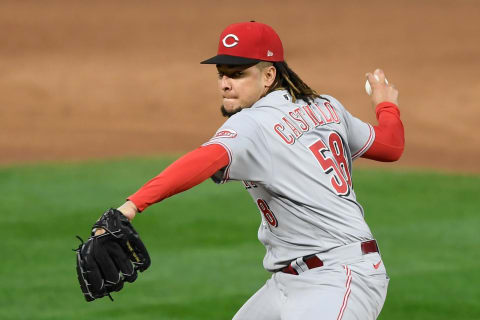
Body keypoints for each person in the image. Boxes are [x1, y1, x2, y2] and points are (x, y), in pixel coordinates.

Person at [115, 21, 404, 320]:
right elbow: (391, 145)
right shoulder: (325, 106)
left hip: (337, 279)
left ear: (268, 75)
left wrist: (131, 206)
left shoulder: (253, 122)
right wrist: (385, 106)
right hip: (291, 281)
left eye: (238, 74)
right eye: (222, 74)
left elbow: (204, 160)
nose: (225, 83)